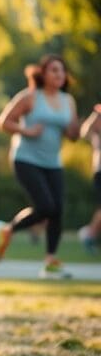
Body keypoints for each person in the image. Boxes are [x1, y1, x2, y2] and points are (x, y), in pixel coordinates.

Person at [0, 54, 80, 278]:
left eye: (62, 70)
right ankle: (7, 229)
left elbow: (73, 136)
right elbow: (3, 122)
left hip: (53, 162)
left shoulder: (68, 101)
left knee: (57, 210)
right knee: (46, 207)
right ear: (43, 74)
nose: (59, 74)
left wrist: (77, 128)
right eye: (54, 70)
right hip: (26, 159)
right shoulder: (30, 97)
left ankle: (50, 262)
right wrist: (27, 131)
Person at [78, 104, 101, 254]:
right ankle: (89, 234)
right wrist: (97, 114)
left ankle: (90, 233)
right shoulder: (96, 130)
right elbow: (84, 131)